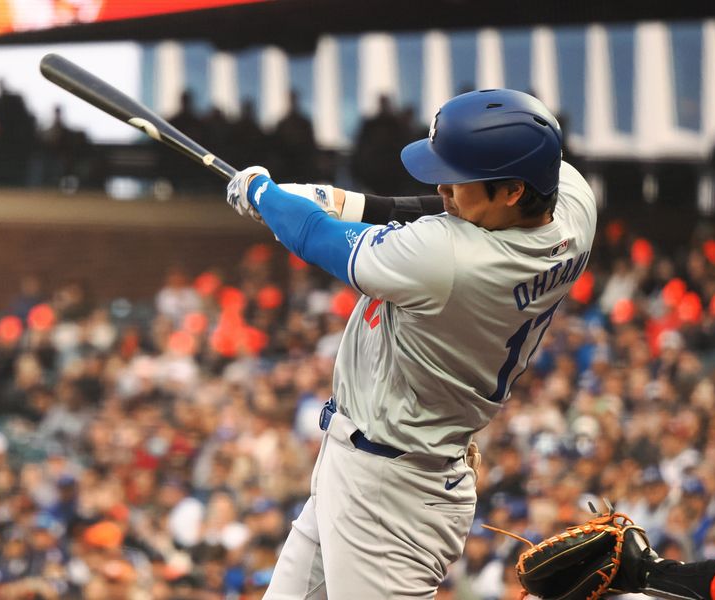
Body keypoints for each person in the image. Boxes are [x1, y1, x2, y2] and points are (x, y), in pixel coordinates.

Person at [225, 88, 595, 598]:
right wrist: (346, 202)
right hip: (383, 458)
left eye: (459, 180)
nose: (443, 187)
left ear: (512, 190)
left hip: (391, 493)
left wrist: (262, 193)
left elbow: (316, 238)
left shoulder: (448, 261)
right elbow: (444, 212)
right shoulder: (574, 205)